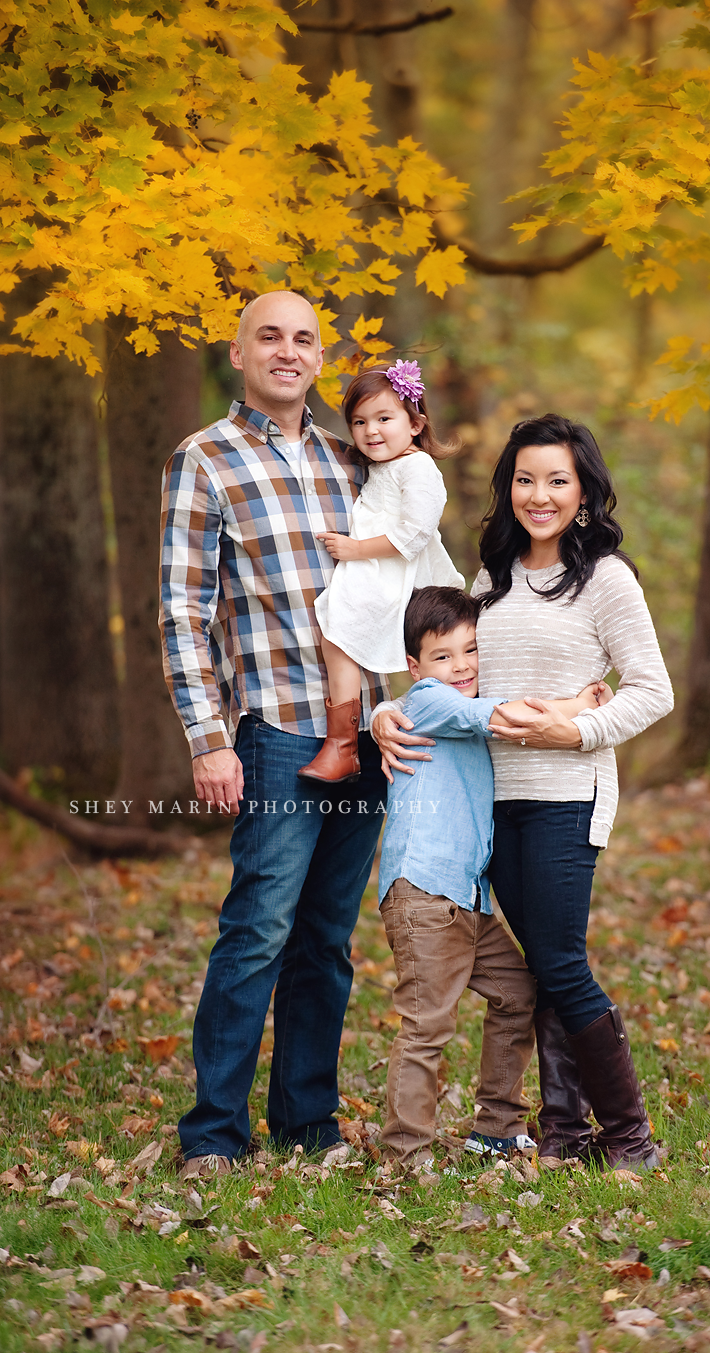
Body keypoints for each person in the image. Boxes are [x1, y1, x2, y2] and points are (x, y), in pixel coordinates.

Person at [374, 413, 674, 1171]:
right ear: (508, 489)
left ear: (584, 490)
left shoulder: (606, 578)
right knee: (537, 966)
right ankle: (565, 1132)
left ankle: (629, 1136)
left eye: (558, 480)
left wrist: (575, 729)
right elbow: (449, 677)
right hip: (489, 805)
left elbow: (652, 691)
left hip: (565, 797)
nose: (539, 495)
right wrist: (386, 709)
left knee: (562, 962)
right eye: (525, 479)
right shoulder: (492, 578)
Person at [160, 290, 390, 1180]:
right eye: (270, 336)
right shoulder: (204, 460)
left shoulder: (351, 459)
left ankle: (307, 1121)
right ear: (239, 352)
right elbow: (182, 609)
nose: (286, 351)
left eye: (303, 339)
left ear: (320, 359)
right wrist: (207, 736)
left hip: (367, 731)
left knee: (326, 937)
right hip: (277, 730)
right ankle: (213, 1132)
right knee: (257, 928)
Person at [377, 585, 609, 1168]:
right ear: (415, 666)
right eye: (443, 655)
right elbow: (502, 717)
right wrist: (581, 704)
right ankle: (406, 1152)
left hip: (468, 900)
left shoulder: (453, 710)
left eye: (470, 651)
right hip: (425, 893)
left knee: (519, 991)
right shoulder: (427, 702)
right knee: (428, 1024)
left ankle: (498, 1127)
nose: (461, 667)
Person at [299, 362, 463, 783]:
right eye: (359, 421)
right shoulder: (380, 467)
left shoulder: (418, 467)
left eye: (384, 418)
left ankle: (342, 745)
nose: (371, 430)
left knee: (341, 629)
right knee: (339, 632)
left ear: (415, 424)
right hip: (380, 570)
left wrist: (354, 549)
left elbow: (413, 533)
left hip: (397, 573)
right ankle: (346, 743)